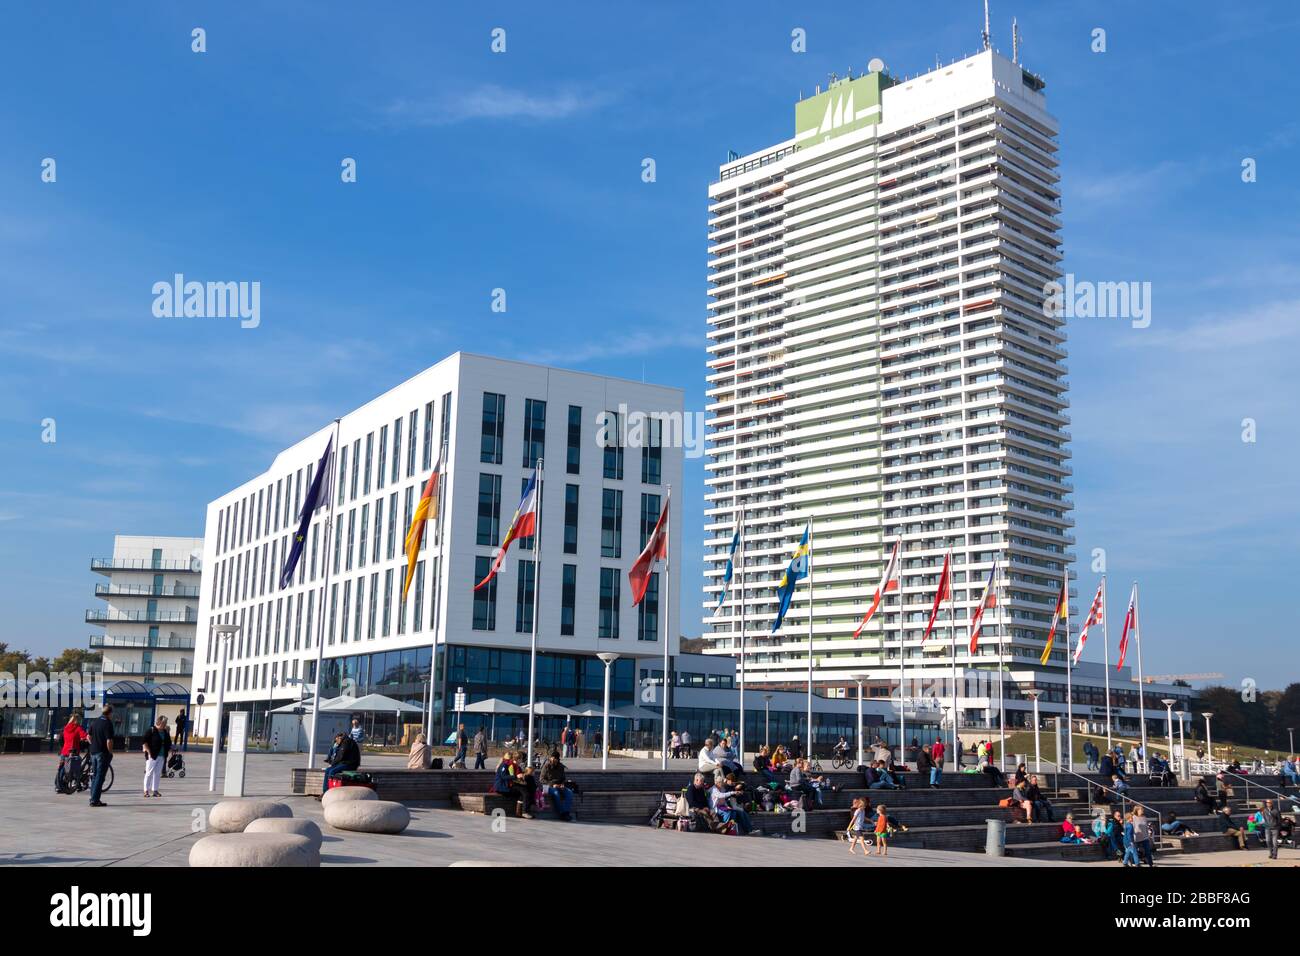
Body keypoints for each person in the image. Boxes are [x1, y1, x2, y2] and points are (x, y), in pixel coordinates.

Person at [87, 705, 115, 807]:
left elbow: (88, 736)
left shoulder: (95, 722)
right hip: (102, 753)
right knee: (100, 776)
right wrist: (110, 751)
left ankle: (93, 798)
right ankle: (95, 800)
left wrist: (93, 744)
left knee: (95, 775)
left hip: (93, 752)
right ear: (110, 713)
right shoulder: (108, 723)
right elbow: (109, 740)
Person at [56, 713, 88, 794]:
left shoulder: (66, 728)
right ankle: (77, 785)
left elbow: (62, 738)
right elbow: (84, 736)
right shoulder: (77, 728)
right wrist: (88, 738)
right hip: (73, 752)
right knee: (76, 768)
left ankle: (58, 786)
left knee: (62, 768)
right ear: (78, 720)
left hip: (64, 751)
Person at [540, 751, 575, 821]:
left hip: (559, 785)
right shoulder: (547, 766)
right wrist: (552, 785)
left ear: (557, 759)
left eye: (555, 758)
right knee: (556, 793)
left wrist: (562, 784)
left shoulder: (561, 767)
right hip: (549, 786)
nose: (553, 760)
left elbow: (563, 778)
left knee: (569, 793)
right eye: (552, 758)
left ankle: (566, 812)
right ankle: (562, 813)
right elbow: (541, 779)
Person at [142, 718, 165, 798]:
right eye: (164, 723)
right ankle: (146, 790)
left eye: (165, 723)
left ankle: (155, 790)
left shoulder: (165, 732)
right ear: (159, 723)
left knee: (157, 774)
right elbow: (144, 741)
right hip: (152, 755)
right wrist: (148, 751)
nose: (165, 724)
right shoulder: (151, 730)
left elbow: (167, 741)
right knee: (149, 773)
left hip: (161, 755)